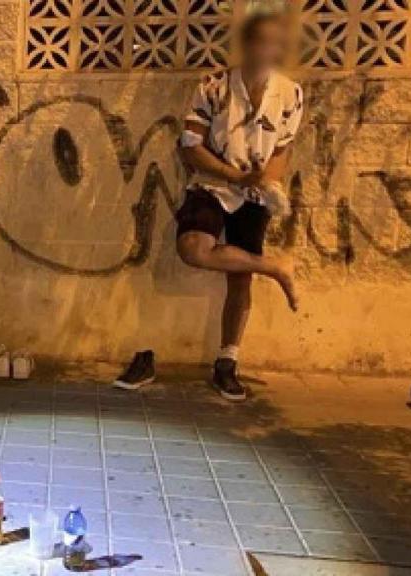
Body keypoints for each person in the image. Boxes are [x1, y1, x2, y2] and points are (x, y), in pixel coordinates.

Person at [113, 10, 304, 402]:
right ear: (246, 45)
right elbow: (190, 147)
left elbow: (283, 149)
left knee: (239, 276)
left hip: (256, 192)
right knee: (193, 248)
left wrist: (265, 180)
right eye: (259, 41)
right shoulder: (214, 87)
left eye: (274, 42)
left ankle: (227, 362)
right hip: (214, 185)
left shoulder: (290, 94)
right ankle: (275, 267)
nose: (266, 49)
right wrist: (234, 176)